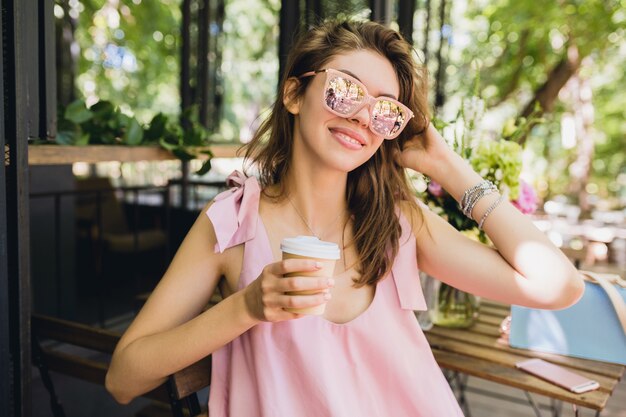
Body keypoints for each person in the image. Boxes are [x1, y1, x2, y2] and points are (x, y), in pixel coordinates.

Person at [105, 19, 584, 416]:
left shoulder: (399, 223)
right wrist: (246, 308)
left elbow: (559, 287)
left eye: (385, 111)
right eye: (344, 90)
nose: (362, 116)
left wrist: (449, 168)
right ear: (295, 95)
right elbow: (123, 378)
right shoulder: (232, 222)